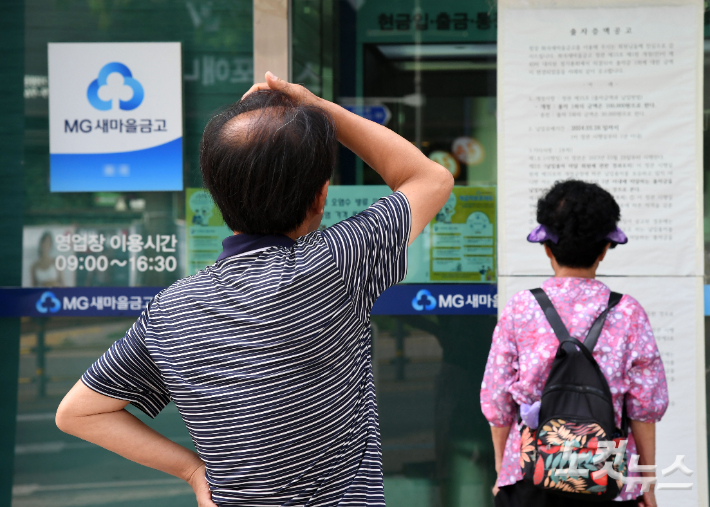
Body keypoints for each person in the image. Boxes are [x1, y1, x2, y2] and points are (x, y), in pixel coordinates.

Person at [54, 72, 454, 507]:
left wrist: (192, 470)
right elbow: (430, 178)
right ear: (320, 197)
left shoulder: (171, 310)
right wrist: (318, 106)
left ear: (217, 196)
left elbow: (78, 412)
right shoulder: (334, 264)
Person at [481, 180, 668, 507]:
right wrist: (647, 482)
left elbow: (497, 402)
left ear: (547, 248)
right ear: (604, 249)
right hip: (608, 480)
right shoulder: (628, 312)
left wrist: (502, 468)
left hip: (529, 476)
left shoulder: (521, 309)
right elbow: (644, 408)